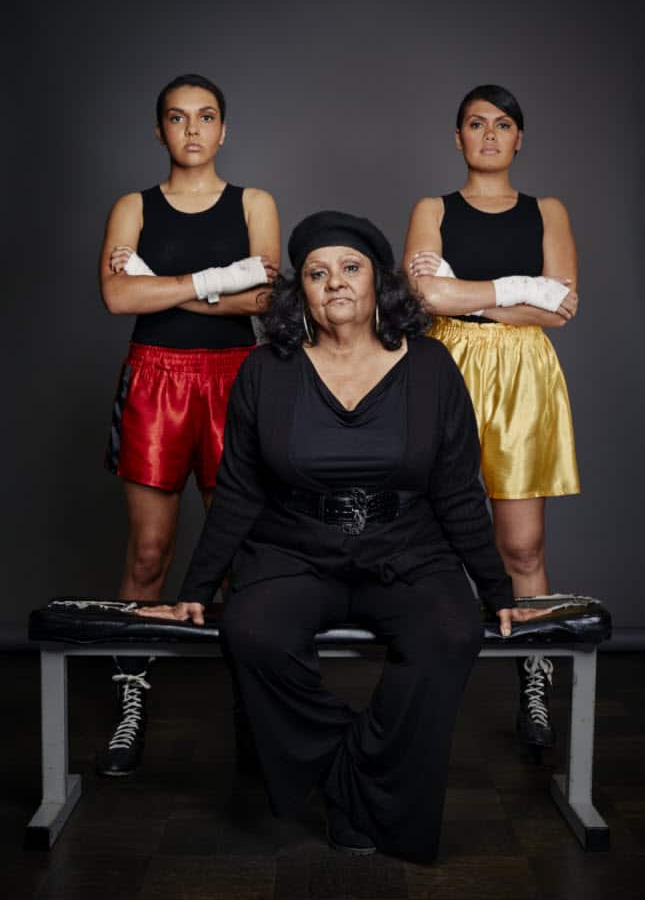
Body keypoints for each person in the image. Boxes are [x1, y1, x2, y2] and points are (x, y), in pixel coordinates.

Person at [138, 211, 547, 864]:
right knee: (252, 632)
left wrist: (495, 589)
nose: (334, 284)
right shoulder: (264, 371)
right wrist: (195, 586)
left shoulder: (431, 367)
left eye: (349, 268)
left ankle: (347, 779)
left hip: (408, 550)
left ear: (376, 282)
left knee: (450, 633)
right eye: (316, 273)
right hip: (295, 551)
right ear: (299, 290)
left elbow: (457, 489)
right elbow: (239, 490)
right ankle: (351, 776)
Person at [97, 73, 280, 776]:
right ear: (159, 131)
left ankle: (251, 710)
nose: (192, 130)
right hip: (155, 379)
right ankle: (130, 702)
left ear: (223, 129)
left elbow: (265, 297)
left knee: (243, 551)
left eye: (205, 117)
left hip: (238, 381)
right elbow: (117, 296)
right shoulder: (132, 205)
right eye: (177, 119)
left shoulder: (254, 202)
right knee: (149, 553)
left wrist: (167, 286)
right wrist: (219, 280)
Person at [403, 84, 580, 751]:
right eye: (475, 124)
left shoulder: (547, 210)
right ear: (457, 137)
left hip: (522, 374)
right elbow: (420, 297)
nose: (488, 134)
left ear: (518, 137)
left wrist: (462, 296)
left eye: (501, 124)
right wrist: (515, 292)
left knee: (522, 545)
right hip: (444, 367)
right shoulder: (431, 207)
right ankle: (424, 684)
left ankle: (533, 685)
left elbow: (560, 306)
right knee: (430, 535)